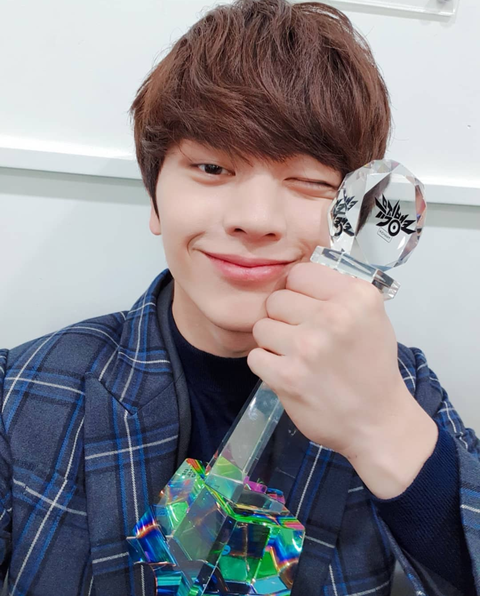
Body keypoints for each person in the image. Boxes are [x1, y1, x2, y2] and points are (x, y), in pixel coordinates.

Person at [0, 1, 478, 594]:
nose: (256, 219)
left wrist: (384, 428)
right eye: (211, 167)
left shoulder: (406, 390)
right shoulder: (25, 391)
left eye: (311, 181)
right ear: (154, 200)